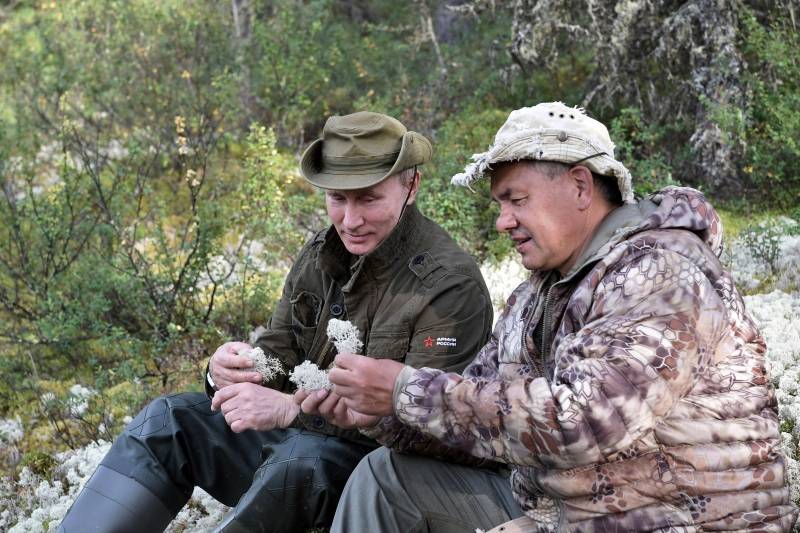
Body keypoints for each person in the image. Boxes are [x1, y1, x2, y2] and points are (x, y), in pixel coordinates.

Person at [303, 102, 799, 532]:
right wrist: (384, 416)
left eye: (517, 200)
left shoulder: (659, 274)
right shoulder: (536, 295)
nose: (503, 221)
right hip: (570, 511)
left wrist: (405, 389)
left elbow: (584, 423)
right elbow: (480, 422)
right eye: (500, 204)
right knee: (386, 478)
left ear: (581, 187)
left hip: (687, 520)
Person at [58, 111, 494, 533]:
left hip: (373, 478)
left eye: (369, 198)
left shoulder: (449, 286)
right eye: (337, 199)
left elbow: (434, 428)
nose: (350, 219)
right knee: (167, 420)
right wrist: (226, 371)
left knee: (300, 461)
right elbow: (277, 356)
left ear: (411, 186)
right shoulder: (321, 254)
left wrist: (291, 410)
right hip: (296, 446)